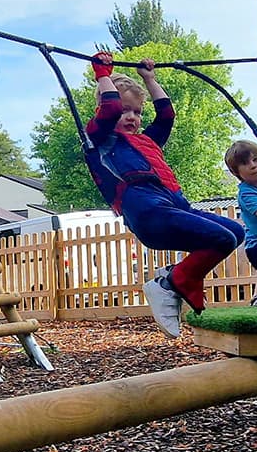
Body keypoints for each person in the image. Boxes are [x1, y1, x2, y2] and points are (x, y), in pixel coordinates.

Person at [86, 51, 244, 338]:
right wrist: (103, 75)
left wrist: (149, 78)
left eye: (136, 112)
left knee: (234, 231)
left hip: (174, 205)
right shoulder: (101, 139)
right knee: (222, 238)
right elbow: (108, 109)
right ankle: (172, 282)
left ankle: (172, 280)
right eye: (125, 111)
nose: (131, 117)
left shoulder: (148, 140)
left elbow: (166, 115)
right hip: (147, 210)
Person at [224, 140, 257, 307]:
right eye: (245, 163)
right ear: (236, 172)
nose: (253, 166)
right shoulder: (246, 193)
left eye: (256, 159)